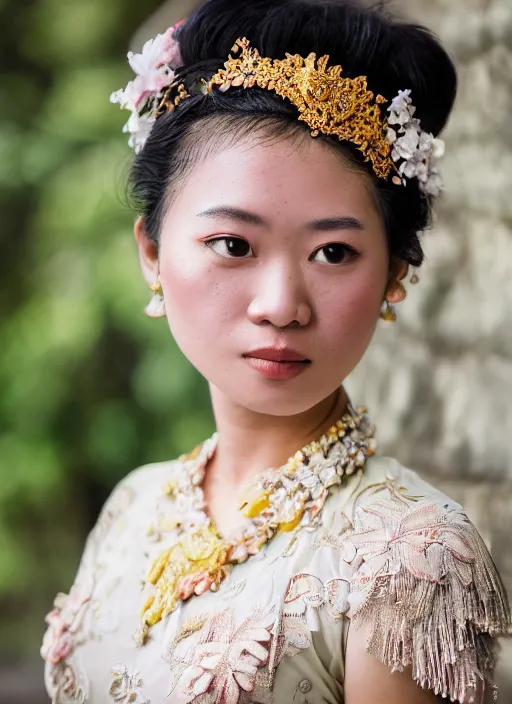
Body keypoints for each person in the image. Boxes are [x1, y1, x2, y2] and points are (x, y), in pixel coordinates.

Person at [41, 1, 512, 702]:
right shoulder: (133, 506)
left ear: (392, 274)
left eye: (334, 252)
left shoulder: (411, 556)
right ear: (151, 252)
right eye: (234, 245)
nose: (281, 304)